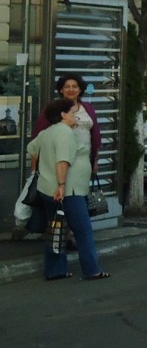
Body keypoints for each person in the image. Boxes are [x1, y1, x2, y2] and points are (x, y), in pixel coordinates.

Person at [28, 99, 109, 281]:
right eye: (73, 113)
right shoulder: (64, 133)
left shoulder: (47, 132)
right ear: (63, 114)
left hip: (47, 189)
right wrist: (62, 185)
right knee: (83, 230)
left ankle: (55, 270)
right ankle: (92, 270)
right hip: (68, 191)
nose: (76, 117)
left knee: (56, 229)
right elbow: (62, 161)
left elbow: (32, 148)